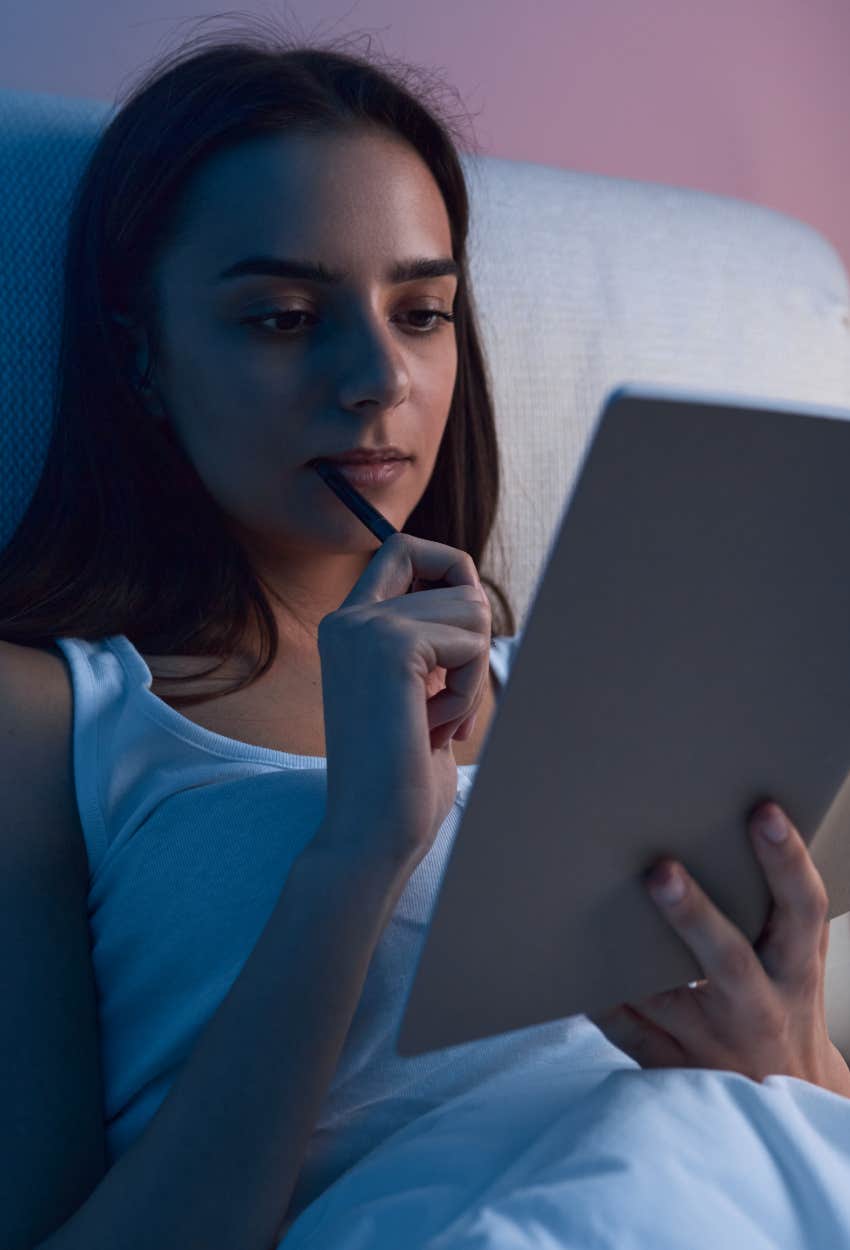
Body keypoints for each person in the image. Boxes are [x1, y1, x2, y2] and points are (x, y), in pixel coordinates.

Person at [2, 16, 850, 1250]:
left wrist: (795, 1052)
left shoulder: (586, 683)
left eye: (423, 311)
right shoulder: (52, 718)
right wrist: (356, 853)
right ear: (140, 354)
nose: (376, 380)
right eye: (284, 317)